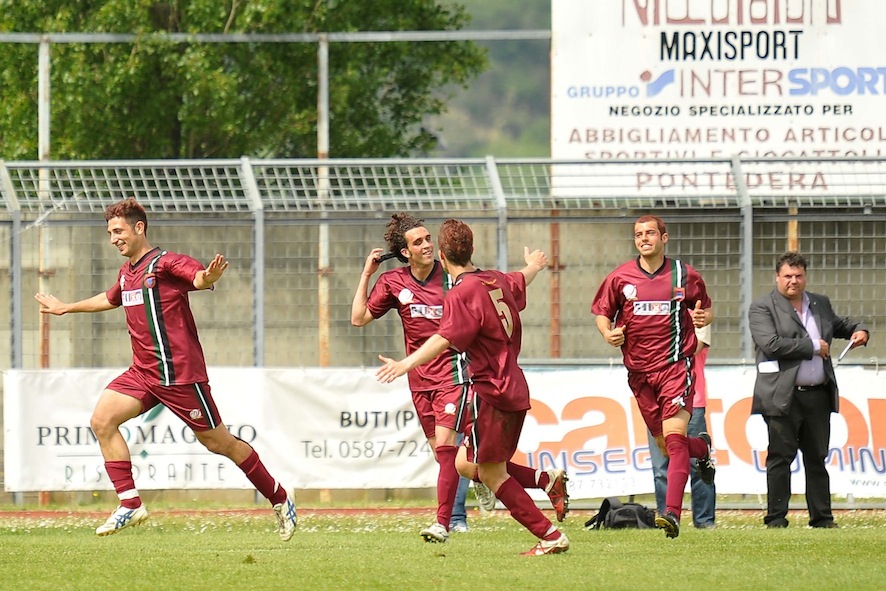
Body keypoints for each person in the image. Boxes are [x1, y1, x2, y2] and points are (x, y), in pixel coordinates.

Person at [34, 197, 297, 539]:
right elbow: (109, 298)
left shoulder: (165, 262)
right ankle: (130, 504)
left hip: (179, 376)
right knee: (102, 420)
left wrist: (207, 276)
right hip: (143, 373)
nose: (113, 238)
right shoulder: (127, 273)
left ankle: (280, 497)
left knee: (221, 443)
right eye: (110, 232)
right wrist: (66, 308)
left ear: (139, 228)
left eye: (118, 230)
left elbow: (198, 277)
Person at [376, 219, 570, 556]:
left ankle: (550, 536)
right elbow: (519, 279)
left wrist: (405, 364)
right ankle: (545, 481)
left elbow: (445, 337)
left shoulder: (460, 292)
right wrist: (534, 265)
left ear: (441, 254)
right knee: (469, 465)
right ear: (472, 249)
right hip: (514, 385)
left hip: (490, 390)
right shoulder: (494, 279)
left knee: (492, 474)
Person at [351, 213, 496, 543]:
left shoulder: (452, 277)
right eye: (419, 242)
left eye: (429, 238)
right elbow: (358, 318)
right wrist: (366, 274)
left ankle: (445, 522)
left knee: (446, 450)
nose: (428, 244)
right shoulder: (393, 283)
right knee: (447, 459)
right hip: (420, 381)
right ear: (405, 252)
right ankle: (490, 477)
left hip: (455, 373)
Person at [592, 214, 715, 539]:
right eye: (638, 234)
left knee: (673, 442)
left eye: (650, 233)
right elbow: (602, 314)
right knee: (665, 445)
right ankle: (702, 449)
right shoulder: (620, 278)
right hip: (640, 375)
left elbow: (706, 308)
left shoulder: (683, 274)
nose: (644, 238)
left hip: (675, 368)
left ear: (664, 238)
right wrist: (608, 334)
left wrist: (702, 315)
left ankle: (671, 514)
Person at [749, 251, 869, 529]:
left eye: (799, 275)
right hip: (782, 396)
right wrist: (814, 347)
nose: (794, 281)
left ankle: (822, 519)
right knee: (780, 457)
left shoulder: (819, 303)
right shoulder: (762, 307)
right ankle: (776, 519)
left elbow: (838, 325)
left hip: (817, 394)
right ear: (777, 277)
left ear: (805, 277)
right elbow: (772, 345)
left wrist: (860, 329)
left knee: (817, 458)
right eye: (788, 276)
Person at [646, 324, 716, 528]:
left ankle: (704, 522)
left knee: (696, 467)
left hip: (691, 400)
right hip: (656, 401)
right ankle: (666, 518)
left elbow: (692, 347)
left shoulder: (696, 313)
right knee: (661, 465)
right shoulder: (652, 314)